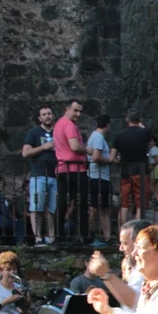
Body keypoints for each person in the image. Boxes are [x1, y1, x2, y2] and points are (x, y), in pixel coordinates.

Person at [54, 99, 89, 243]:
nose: (78, 114)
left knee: (62, 203)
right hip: (75, 169)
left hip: (63, 168)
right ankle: (85, 237)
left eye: (80, 111)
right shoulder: (69, 125)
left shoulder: (58, 124)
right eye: (75, 110)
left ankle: (60, 235)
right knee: (82, 204)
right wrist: (88, 150)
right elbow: (75, 146)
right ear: (67, 109)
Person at [22, 105, 58, 245]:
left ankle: (51, 237)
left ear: (53, 115)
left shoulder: (57, 132)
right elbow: (25, 153)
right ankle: (38, 237)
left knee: (52, 208)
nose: (47, 116)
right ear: (39, 118)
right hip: (39, 175)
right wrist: (43, 147)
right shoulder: (34, 132)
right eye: (44, 114)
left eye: (49, 113)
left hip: (55, 175)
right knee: (37, 207)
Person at [112, 110, 152, 224]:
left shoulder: (119, 135)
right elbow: (149, 144)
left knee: (124, 205)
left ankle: (121, 232)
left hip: (125, 172)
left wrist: (120, 162)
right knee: (140, 205)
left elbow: (112, 157)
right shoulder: (144, 133)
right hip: (141, 171)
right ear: (139, 120)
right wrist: (142, 126)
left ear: (127, 120)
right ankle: (137, 232)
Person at [86, 114, 116, 248]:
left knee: (104, 208)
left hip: (99, 177)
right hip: (98, 177)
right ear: (108, 125)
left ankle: (107, 236)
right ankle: (88, 234)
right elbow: (96, 157)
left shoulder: (95, 136)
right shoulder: (98, 137)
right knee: (95, 207)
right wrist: (109, 160)